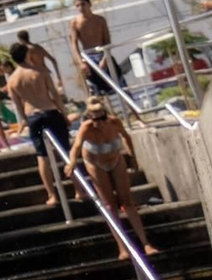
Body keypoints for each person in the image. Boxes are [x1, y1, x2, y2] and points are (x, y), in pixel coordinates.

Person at [64, 97, 158, 260]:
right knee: (109, 206)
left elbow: (127, 137)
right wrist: (72, 161)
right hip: (95, 163)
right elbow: (76, 146)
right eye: (92, 119)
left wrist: (132, 156)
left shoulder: (114, 123)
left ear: (106, 116)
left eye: (101, 119)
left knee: (127, 201)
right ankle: (122, 247)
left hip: (115, 159)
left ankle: (145, 243)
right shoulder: (86, 128)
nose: (97, 123)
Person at [7, 43, 81, 207]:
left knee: (42, 156)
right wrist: (64, 114)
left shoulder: (12, 80)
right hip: (50, 111)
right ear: (27, 54)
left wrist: (25, 120)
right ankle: (78, 189)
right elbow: (54, 95)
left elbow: (18, 107)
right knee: (66, 153)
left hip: (33, 115)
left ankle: (52, 195)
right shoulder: (40, 71)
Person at [67, 0, 123, 95]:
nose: (81, 8)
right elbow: (74, 44)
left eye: (83, 4)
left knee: (120, 84)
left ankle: (133, 109)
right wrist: (81, 63)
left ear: (89, 4)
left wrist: (105, 58)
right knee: (96, 91)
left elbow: (107, 41)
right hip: (88, 57)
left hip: (102, 53)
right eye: (77, 6)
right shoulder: (75, 23)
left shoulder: (100, 20)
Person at [14, 29, 71, 98]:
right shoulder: (38, 47)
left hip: (37, 76)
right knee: (54, 96)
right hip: (46, 72)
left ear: (21, 39)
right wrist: (58, 77)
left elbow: (29, 64)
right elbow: (53, 60)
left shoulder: (27, 51)